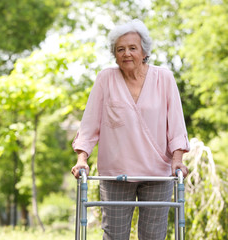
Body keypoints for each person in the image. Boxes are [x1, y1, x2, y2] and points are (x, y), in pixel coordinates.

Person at [71, 19, 190, 240]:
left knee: (154, 235)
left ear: (144, 51)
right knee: (114, 235)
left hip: (157, 173)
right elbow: (89, 125)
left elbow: (175, 124)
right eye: (120, 49)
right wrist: (82, 158)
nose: (127, 53)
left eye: (132, 48)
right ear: (114, 55)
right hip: (116, 173)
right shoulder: (105, 78)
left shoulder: (163, 78)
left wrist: (178, 159)